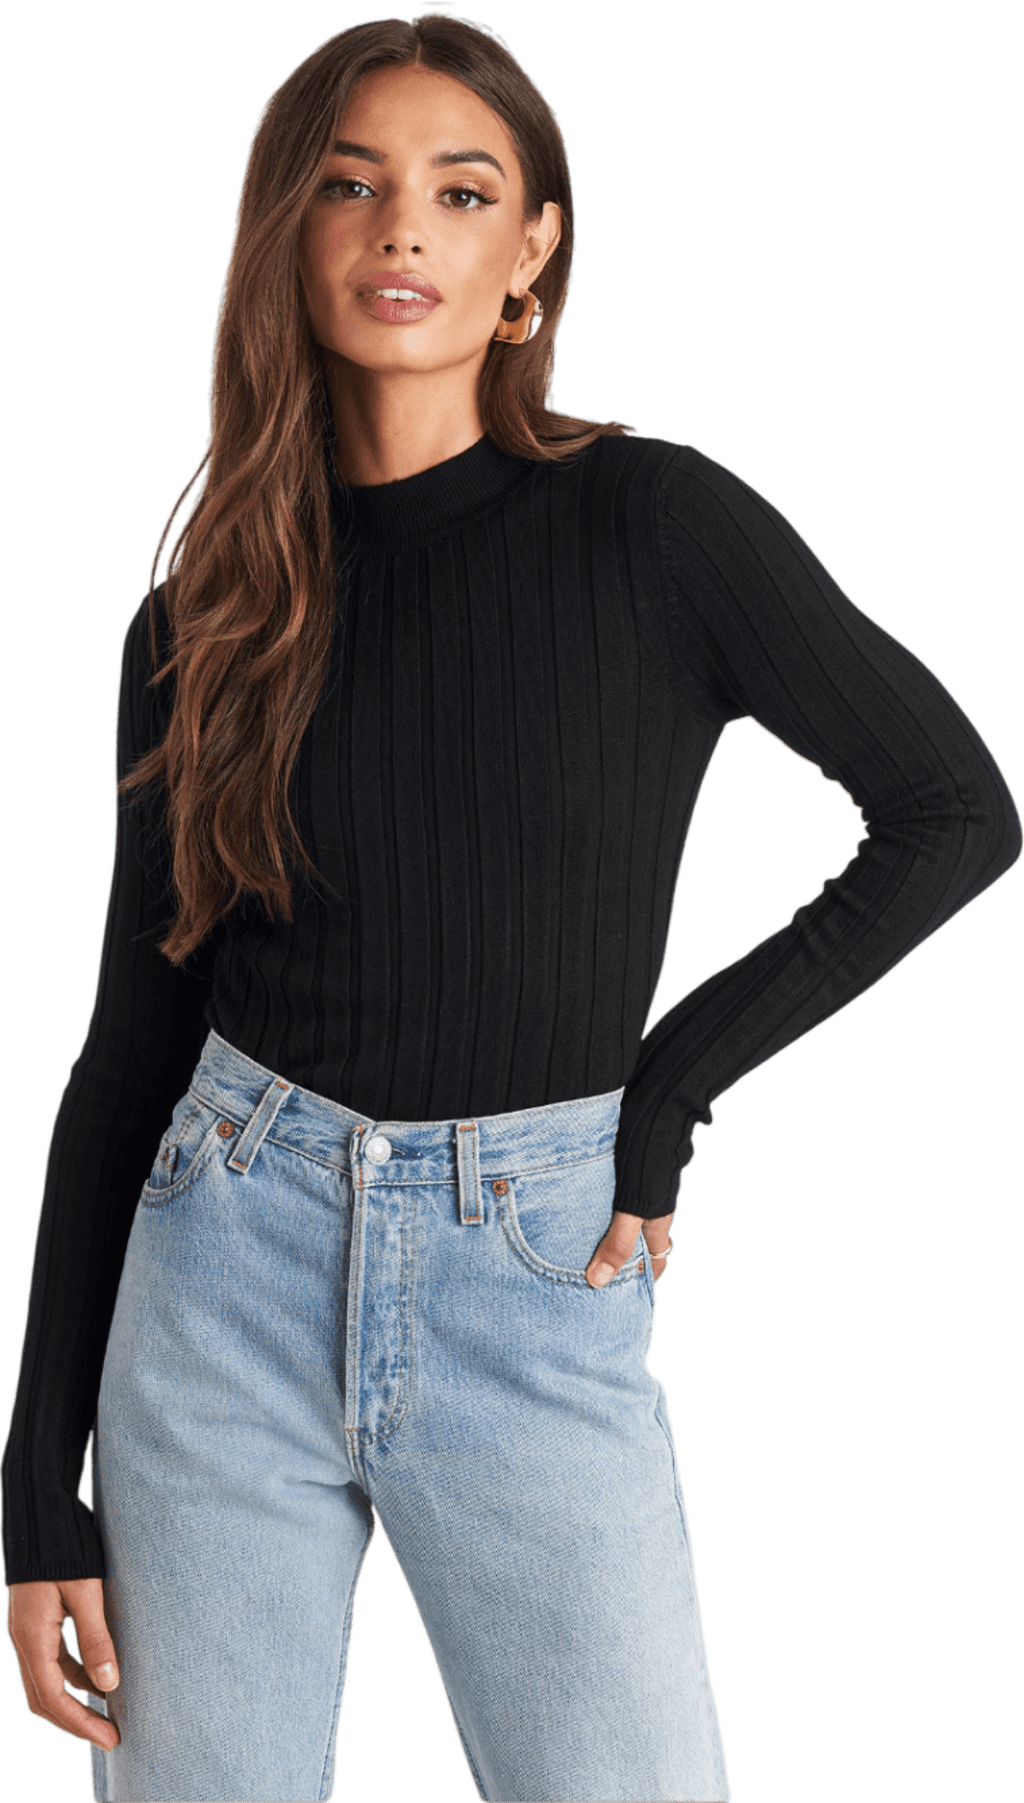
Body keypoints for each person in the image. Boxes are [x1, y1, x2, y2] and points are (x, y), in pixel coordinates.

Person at [2, 15, 1020, 1803]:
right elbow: (128, 1049)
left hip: (534, 1267)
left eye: (462, 192)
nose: (404, 227)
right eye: (351, 186)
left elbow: (955, 809)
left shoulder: (655, 522)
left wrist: (673, 1084)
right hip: (222, 1260)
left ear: (532, 251)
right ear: (288, 235)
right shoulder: (205, 607)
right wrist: (32, 1493)